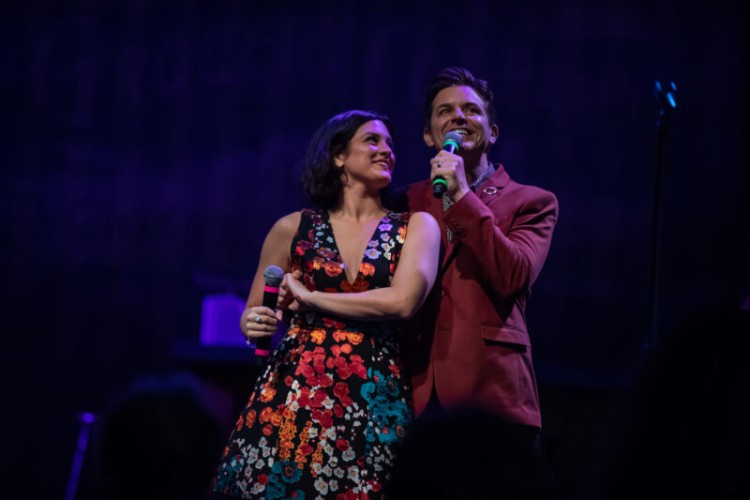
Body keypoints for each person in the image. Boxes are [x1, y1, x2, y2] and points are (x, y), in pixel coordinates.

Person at [211, 110, 441, 499]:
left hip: (373, 395)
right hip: (295, 390)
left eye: (390, 143)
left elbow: (402, 302)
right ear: (338, 156)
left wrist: (310, 297)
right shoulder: (292, 228)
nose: (387, 150)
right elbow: (252, 313)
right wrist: (256, 323)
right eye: (372, 140)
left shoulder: (416, 226)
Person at [390, 67, 559, 447]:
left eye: (471, 109)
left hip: (491, 392)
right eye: (445, 111)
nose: (458, 117)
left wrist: (462, 196)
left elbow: (512, 275)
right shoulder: (403, 202)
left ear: (493, 132)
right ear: (429, 135)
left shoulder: (533, 202)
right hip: (413, 388)